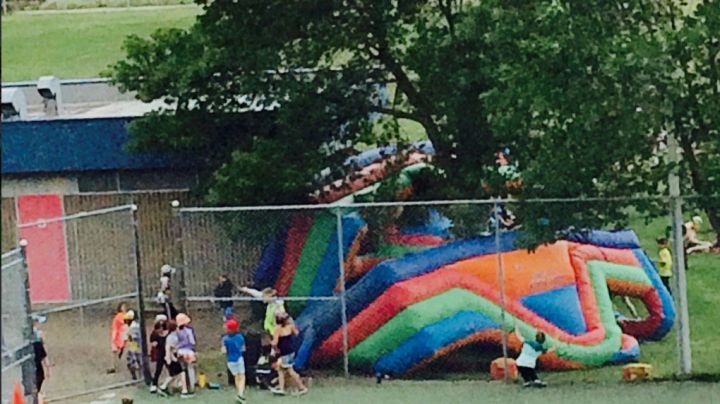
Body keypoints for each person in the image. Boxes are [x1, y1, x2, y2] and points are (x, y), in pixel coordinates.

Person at [270, 312, 307, 396]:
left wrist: (274, 348)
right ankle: (281, 388)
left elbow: (275, 343)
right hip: (290, 351)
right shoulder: (290, 327)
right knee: (280, 369)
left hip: (284, 352)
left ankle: (302, 387)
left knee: (290, 371)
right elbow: (296, 333)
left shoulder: (277, 329)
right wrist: (292, 324)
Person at [158, 320, 192, 398]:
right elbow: (168, 348)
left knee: (173, 375)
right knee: (181, 372)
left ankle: (163, 387)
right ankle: (184, 391)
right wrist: (169, 358)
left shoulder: (173, 335)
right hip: (171, 358)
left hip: (173, 357)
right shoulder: (171, 337)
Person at [222, 318, 247, 403]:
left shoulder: (225, 339)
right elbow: (243, 348)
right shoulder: (240, 337)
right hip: (239, 358)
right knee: (242, 376)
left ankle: (238, 393)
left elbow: (224, 351)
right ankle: (241, 393)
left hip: (230, 360)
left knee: (236, 376)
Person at [176, 313, 197, 391]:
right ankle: (192, 385)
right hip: (189, 352)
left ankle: (181, 385)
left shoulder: (176, 331)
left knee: (181, 369)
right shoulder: (189, 331)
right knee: (190, 368)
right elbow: (192, 342)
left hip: (179, 352)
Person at [150, 315, 168, 393]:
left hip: (168, 353)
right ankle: (154, 384)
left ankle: (166, 384)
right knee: (158, 369)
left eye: (163, 321)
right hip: (160, 353)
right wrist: (154, 343)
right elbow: (152, 341)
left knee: (172, 369)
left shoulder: (168, 332)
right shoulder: (155, 333)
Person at [32, 316, 50, 397]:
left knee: (39, 376)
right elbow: (43, 352)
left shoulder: (37, 334)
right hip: (35, 354)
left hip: (36, 354)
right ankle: (36, 393)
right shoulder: (36, 336)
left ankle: (36, 392)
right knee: (38, 376)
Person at [108, 302, 128, 374]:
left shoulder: (126, 315)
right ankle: (113, 366)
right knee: (115, 351)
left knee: (129, 348)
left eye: (125, 307)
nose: (125, 308)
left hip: (124, 334)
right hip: (119, 335)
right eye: (123, 307)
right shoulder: (119, 316)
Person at [124, 310, 143, 380]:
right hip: (135, 345)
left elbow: (134, 339)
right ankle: (137, 376)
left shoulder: (134, 326)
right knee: (134, 361)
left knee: (134, 361)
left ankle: (138, 377)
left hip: (135, 345)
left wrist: (133, 349)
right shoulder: (133, 326)